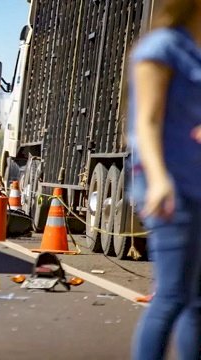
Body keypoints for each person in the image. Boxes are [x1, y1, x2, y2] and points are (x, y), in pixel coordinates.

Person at [127, 1, 201, 359]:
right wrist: (158, 179)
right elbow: (148, 121)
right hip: (171, 187)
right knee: (172, 295)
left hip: (198, 182)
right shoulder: (161, 47)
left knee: (197, 301)